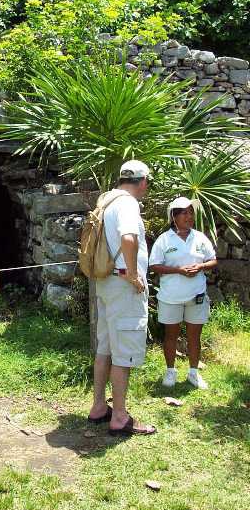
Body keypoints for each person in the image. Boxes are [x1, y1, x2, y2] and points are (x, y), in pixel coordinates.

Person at [88, 160, 156, 436]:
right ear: (142, 182)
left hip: (106, 283)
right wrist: (131, 275)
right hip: (122, 286)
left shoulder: (107, 201)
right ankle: (119, 416)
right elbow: (128, 239)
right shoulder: (128, 204)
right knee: (123, 352)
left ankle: (98, 408)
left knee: (105, 346)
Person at [149, 197, 217, 390]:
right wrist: (178, 270)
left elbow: (212, 260)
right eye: (184, 213)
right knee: (171, 335)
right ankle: (170, 371)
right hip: (170, 297)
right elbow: (154, 265)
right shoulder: (164, 240)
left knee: (195, 336)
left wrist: (201, 266)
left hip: (196, 295)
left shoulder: (199, 237)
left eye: (191, 212)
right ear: (174, 217)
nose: (189, 216)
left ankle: (193, 373)